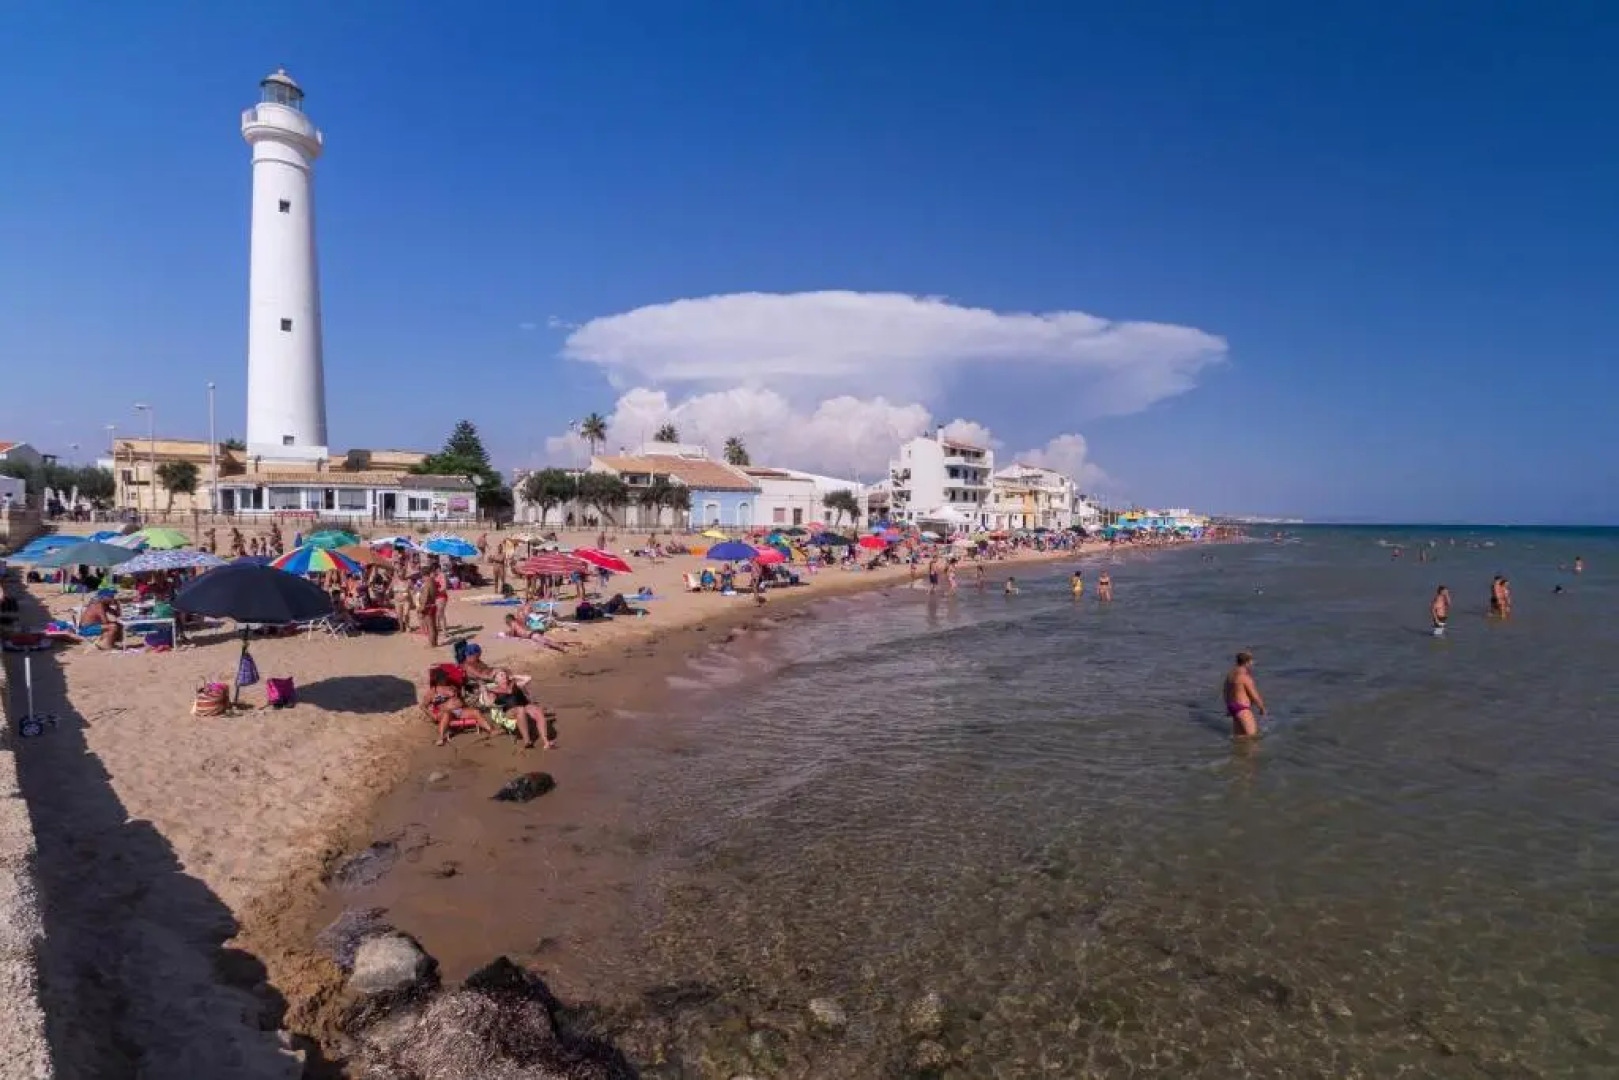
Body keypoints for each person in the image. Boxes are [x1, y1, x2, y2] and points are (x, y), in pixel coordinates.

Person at [1223, 652, 1266, 738]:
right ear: (1247, 662)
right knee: (1252, 738)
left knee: (1239, 738)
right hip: (1243, 708)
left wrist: (1228, 707)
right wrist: (1262, 708)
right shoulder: (1244, 677)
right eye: (1251, 661)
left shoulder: (1230, 675)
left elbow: (1225, 691)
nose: (1252, 663)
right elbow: (1254, 695)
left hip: (1232, 707)